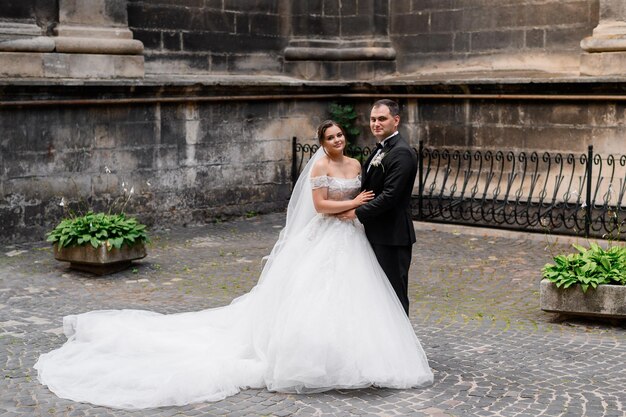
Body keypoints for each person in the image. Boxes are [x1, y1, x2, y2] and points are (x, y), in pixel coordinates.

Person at [34, 120, 433, 410]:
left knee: (356, 298)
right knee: (313, 297)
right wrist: (353, 205)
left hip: (352, 240)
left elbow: (371, 191)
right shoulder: (320, 167)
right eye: (329, 137)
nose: (336, 140)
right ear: (322, 142)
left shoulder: (357, 163)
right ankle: (310, 360)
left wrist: (359, 207)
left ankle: (357, 356)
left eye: (340, 135)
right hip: (328, 236)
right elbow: (320, 206)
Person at [340, 99, 417, 315]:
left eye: (382, 119)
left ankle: (402, 346)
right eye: (373, 119)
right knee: (377, 294)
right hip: (376, 233)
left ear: (396, 120)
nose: (376, 124)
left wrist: (355, 212)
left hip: (392, 236)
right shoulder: (380, 149)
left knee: (394, 294)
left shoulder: (402, 153)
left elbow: (390, 196)